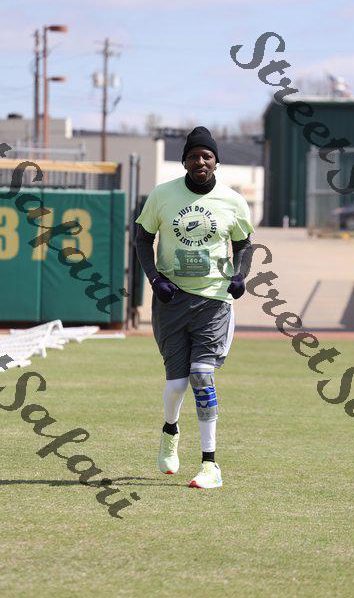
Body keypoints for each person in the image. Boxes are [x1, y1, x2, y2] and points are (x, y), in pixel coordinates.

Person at [135, 126, 254, 489]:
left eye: (206, 155)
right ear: (184, 161)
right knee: (175, 385)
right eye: (193, 156)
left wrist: (240, 275)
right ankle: (170, 430)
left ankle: (209, 464)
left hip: (214, 301)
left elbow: (244, 244)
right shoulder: (162, 195)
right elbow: (142, 238)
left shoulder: (233, 201)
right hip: (171, 300)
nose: (200, 161)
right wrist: (155, 279)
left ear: (216, 161)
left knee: (202, 374)